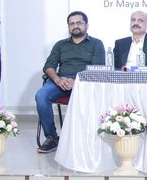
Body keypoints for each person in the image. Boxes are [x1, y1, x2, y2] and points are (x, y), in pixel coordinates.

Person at [35, 11, 105, 153]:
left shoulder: (96, 44)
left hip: (85, 83)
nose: (75, 26)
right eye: (72, 23)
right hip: (60, 82)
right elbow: (48, 66)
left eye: (79, 23)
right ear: (68, 27)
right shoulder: (60, 45)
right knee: (41, 96)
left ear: (86, 25)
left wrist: (77, 81)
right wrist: (57, 80)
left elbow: (97, 68)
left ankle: (86, 138)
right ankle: (52, 138)